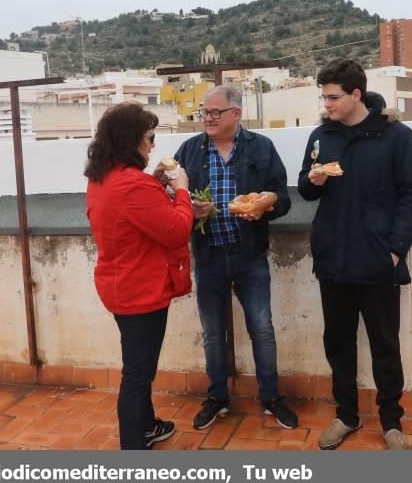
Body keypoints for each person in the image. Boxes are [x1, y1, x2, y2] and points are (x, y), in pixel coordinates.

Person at [297, 59, 412, 450]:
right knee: (337, 342)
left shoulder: (395, 136)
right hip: (333, 259)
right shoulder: (322, 136)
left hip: (376, 260)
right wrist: (313, 179)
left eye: (333, 97)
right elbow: (306, 189)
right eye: (324, 96)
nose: (327, 104)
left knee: (385, 342)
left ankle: (391, 422)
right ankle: (346, 415)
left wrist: (393, 250)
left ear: (356, 94)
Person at [174, 85, 299, 430]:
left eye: (216, 112)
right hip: (209, 255)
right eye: (205, 112)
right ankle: (217, 398)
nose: (209, 119)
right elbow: (171, 196)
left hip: (250, 255)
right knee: (213, 334)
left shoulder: (261, 147)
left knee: (262, 330)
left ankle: (271, 398)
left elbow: (283, 198)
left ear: (236, 114)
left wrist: (263, 208)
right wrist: (190, 210)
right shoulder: (189, 150)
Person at [85, 103, 194, 450]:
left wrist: (154, 184)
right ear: (131, 140)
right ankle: (133, 445)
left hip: (121, 284)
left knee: (139, 364)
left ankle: (147, 426)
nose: (153, 145)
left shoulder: (105, 177)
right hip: (139, 290)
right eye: (150, 137)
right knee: (137, 374)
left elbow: (135, 209)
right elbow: (176, 231)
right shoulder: (132, 186)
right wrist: (182, 189)